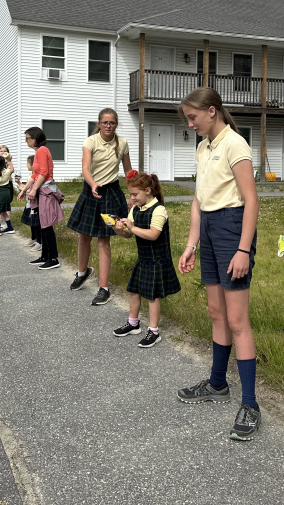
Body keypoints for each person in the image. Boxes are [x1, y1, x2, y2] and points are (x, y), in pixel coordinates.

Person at [175, 87, 261, 442]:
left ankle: (251, 405)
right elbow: (198, 201)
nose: (190, 124)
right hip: (209, 229)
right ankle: (216, 383)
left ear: (212, 111)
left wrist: (243, 250)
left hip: (231, 229)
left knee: (237, 319)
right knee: (216, 312)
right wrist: (191, 243)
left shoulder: (234, 144)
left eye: (193, 118)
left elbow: (252, 200)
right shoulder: (203, 147)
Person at [67, 108, 133, 306]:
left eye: (111, 123)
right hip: (91, 192)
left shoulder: (122, 143)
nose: (108, 126)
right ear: (99, 124)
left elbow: (128, 170)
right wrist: (92, 183)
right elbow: (86, 167)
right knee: (84, 236)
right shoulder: (91, 142)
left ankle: (103, 288)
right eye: (104, 122)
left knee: (104, 240)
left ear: (116, 124)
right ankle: (82, 272)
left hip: (110, 196)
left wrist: (133, 194)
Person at [112, 173, 180, 348]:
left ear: (148, 190)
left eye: (135, 194)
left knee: (152, 295)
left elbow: (153, 234)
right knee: (134, 290)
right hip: (143, 258)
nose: (132, 198)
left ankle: (154, 331)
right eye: (131, 195)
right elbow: (128, 234)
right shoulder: (136, 209)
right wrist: (119, 229)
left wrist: (133, 227)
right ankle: (133, 323)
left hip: (157, 260)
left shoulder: (159, 210)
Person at [24, 126, 65, 270]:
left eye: (27, 138)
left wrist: (33, 190)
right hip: (41, 190)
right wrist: (24, 189)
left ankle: (53, 258)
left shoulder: (42, 150)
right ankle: (44, 256)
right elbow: (35, 175)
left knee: (47, 225)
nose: (26, 141)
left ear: (34, 138)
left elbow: (43, 172)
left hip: (46, 191)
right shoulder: (38, 152)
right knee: (43, 224)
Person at [17, 155, 41, 252]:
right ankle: (34, 238)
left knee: (36, 223)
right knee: (32, 223)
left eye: (28, 163)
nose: (26, 165)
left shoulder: (36, 176)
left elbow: (31, 190)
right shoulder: (30, 175)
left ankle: (39, 242)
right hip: (29, 202)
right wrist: (19, 183)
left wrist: (22, 190)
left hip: (34, 202)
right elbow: (26, 187)